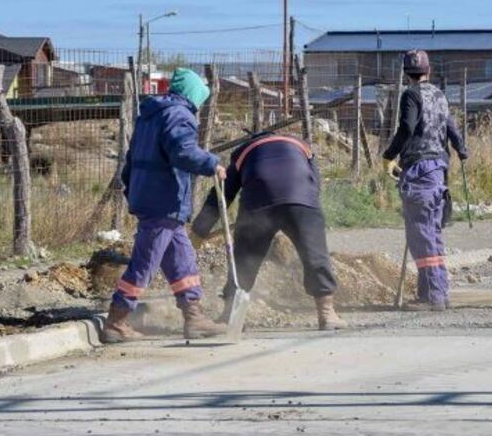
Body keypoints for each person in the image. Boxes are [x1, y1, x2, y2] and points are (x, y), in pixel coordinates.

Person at [101, 68, 228, 343]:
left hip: (153, 199)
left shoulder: (148, 116)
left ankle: (193, 316)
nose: (199, 105)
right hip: (163, 201)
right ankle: (117, 320)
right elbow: (182, 152)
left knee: (183, 259)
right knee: (144, 263)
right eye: (200, 99)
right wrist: (212, 163)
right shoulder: (180, 115)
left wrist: (134, 191)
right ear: (193, 95)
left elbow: (131, 161)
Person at [191, 131, 346, 331]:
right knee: (315, 255)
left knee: (245, 259)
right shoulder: (302, 146)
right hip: (302, 199)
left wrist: (199, 231)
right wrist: (306, 209)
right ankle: (327, 314)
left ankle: (231, 314)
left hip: (258, 203)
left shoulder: (243, 152)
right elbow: (315, 181)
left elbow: (222, 193)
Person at [382, 50, 468, 311]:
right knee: (432, 232)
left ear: (406, 74)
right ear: (428, 71)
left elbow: (407, 127)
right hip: (438, 169)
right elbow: (450, 126)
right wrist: (461, 148)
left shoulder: (410, 94)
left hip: (419, 170)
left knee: (422, 234)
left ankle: (433, 297)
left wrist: (389, 155)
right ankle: (436, 291)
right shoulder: (439, 95)